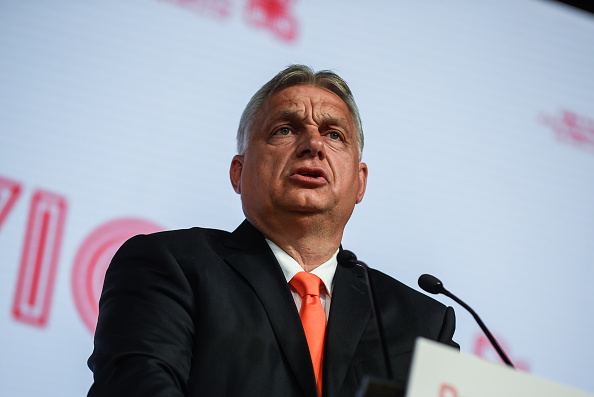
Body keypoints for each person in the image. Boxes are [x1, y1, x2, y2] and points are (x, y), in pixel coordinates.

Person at [87, 65, 457, 397]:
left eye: (334, 135)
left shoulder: (422, 323)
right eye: (284, 129)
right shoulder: (171, 267)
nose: (313, 145)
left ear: (360, 183)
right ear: (238, 171)